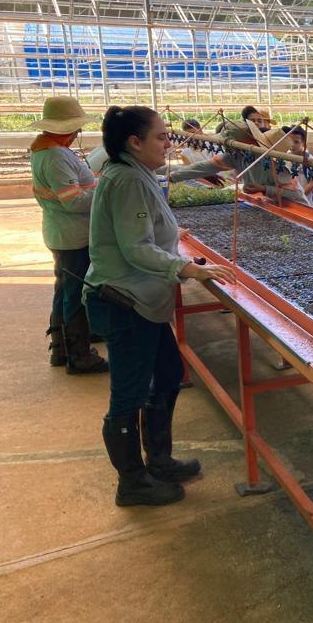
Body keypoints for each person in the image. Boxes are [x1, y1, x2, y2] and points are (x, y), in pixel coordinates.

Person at [85, 105, 235, 507]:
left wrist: (171, 234)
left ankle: (160, 459)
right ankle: (132, 483)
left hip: (143, 301)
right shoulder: (127, 180)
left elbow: (142, 229)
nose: (168, 143)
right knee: (129, 393)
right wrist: (188, 268)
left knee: (168, 372)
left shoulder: (137, 173)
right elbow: (135, 248)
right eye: (161, 137)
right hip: (125, 301)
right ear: (135, 142)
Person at [29, 96, 109, 374]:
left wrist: (97, 183)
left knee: (64, 288)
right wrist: (105, 193)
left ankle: (62, 348)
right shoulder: (56, 157)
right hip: (72, 236)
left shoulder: (44, 150)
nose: (78, 132)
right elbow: (73, 201)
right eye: (75, 127)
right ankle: (79, 355)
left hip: (61, 232)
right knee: (76, 293)